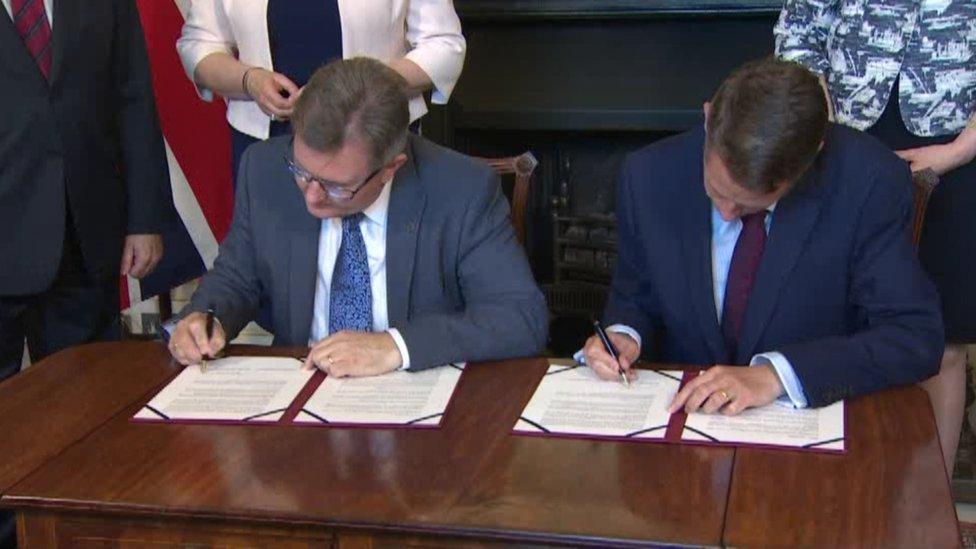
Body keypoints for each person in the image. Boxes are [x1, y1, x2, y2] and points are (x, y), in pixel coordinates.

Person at [581, 58, 943, 415]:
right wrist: (624, 335)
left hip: (811, 432)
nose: (725, 214)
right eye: (716, 191)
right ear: (708, 117)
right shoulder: (647, 175)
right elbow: (634, 296)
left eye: (746, 207)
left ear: (810, 157)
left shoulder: (868, 181)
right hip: (684, 422)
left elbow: (913, 337)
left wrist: (776, 376)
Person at [167, 57, 547, 377]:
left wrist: (394, 347)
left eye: (336, 186)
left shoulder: (461, 188)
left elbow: (519, 318)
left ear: (390, 168)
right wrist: (206, 317)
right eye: (302, 172)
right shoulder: (264, 169)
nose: (312, 197)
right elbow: (236, 276)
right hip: (301, 395)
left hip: (416, 403)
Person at [775, 0, 976, 473]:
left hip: (962, 156)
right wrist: (822, 129)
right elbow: (798, 31)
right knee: (833, 323)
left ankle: (929, 514)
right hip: (842, 148)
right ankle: (838, 495)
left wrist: (960, 150)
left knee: (943, 342)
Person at [0, 1, 174, 546]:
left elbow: (133, 97)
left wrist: (145, 216)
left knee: (89, 409)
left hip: (87, 229)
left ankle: (86, 532)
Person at [176, 0, 466, 182]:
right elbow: (199, 44)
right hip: (267, 149)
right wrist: (249, 80)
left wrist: (359, 86)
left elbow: (444, 46)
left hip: (374, 142)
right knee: (274, 271)